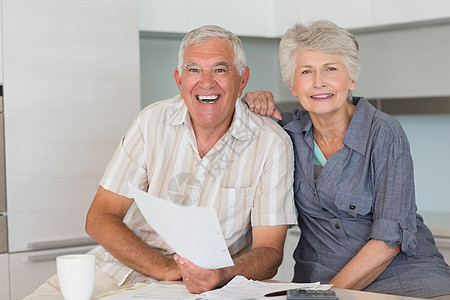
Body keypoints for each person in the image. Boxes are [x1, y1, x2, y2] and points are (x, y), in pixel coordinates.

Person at [26, 25, 296, 298]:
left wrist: (222, 274)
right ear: (179, 81)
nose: (206, 81)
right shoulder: (151, 122)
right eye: (193, 70)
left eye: (220, 69)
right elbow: (100, 217)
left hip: (208, 288)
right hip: (119, 269)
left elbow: (270, 252)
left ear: (242, 79)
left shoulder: (271, 143)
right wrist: (168, 269)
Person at [242, 20, 450, 299]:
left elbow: (389, 240)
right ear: (293, 85)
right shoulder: (283, 132)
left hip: (402, 279)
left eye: (331, 68)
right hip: (317, 281)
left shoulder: (384, 132)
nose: (319, 82)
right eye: (306, 71)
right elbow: (231, 123)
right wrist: (249, 102)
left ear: (351, 79)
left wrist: (327, 295)